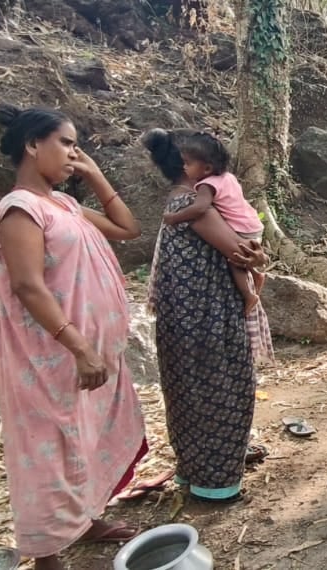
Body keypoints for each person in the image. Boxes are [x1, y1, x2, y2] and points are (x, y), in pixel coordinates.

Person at [0, 104, 146, 569]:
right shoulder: (20, 209)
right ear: (32, 145)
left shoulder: (65, 205)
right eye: (66, 143)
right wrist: (77, 346)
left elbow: (128, 228)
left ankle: (87, 519)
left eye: (76, 145)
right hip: (50, 357)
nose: (74, 153)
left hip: (89, 355)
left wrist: (95, 176)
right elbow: (28, 285)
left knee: (86, 438)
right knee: (49, 448)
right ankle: (47, 553)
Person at [141, 128, 271, 504]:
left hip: (183, 317)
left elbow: (244, 253)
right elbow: (239, 252)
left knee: (187, 393)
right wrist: (258, 261)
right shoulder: (192, 205)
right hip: (206, 317)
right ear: (188, 169)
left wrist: (257, 258)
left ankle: (194, 470)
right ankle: (216, 484)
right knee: (222, 391)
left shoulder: (182, 202)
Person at [158, 130, 267, 312]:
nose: (184, 167)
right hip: (253, 224)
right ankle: (256, 275)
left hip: (242, 229)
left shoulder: (206, 186)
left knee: (235, 260)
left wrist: (174, 217)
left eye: (187, 163)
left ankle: (249, 294)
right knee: (239, 257)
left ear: (207, 168)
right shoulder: (228, 178)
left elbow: (199, 209)